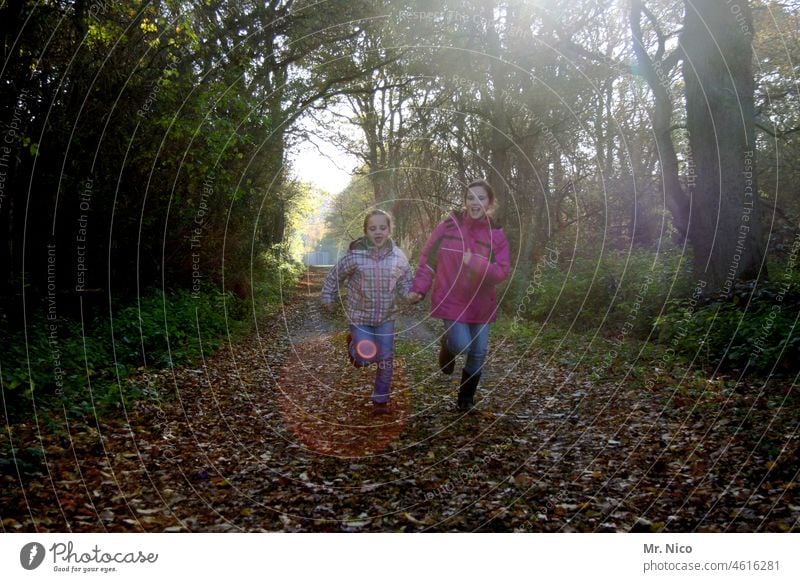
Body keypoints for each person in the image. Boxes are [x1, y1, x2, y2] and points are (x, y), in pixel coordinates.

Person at [407, 179, 510, 412]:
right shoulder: (447, 227)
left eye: (481, 198)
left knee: (479, 351)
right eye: (470, 197)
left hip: (481, 303)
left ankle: (465, 401)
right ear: (464, 201)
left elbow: (502, 271)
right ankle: (448, 344)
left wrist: (474, 262)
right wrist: (419, 289)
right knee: (462, 344)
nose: (475, 203)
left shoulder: (497, 235)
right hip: (450, 298)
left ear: (490, 203)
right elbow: (428, 262)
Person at [321, 209, 413, 410]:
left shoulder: (397, 256)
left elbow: (405, 281)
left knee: (386, 357)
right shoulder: (355, 256)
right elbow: (334, 276)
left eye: (382, 227)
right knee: (366, 356)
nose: (378, 232)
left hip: (386, 316)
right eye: (373, 228)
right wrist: (328, 296)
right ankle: (354, 349)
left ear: (389, 230)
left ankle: (381, 398)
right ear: (365, 231)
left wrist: (410, 295)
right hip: (360, 316)